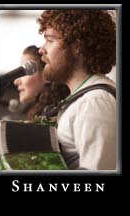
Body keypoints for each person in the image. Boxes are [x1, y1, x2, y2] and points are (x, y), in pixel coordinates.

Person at [37, 10, 116, 170]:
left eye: (50, 40)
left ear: (77, 46)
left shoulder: (94, 102)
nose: (41, 49)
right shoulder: (84, 98)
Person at [14, 45, 70, 120]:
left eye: (24, 73)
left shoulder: (61, 114)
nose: (16, 81)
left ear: (45, 74)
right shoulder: (39, 113)